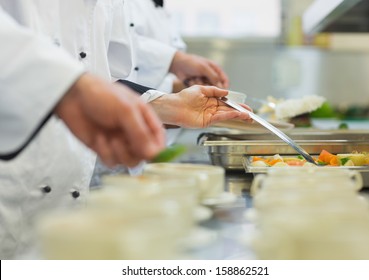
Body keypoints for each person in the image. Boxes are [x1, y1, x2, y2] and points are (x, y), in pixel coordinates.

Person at [0, 0, 250, 259]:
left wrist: (165, 104)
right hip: (14, 183)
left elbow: (104, 79)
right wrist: (72, 89)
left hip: (71, 190)